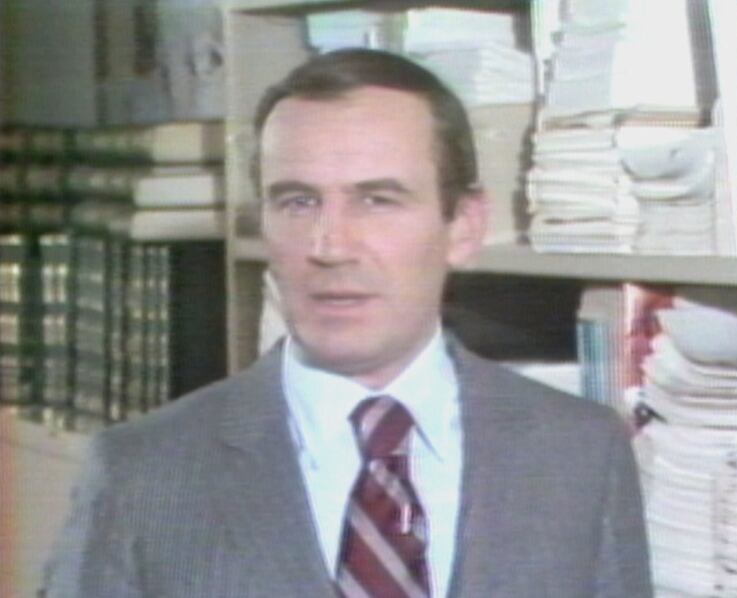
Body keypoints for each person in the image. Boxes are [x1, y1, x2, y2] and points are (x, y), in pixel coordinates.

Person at [43, 49, 653, 597]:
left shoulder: (579, 453)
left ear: (463, 226)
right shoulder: (142, 472)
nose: (330, 246)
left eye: (377, 200)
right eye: (298, 202)